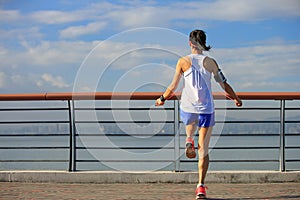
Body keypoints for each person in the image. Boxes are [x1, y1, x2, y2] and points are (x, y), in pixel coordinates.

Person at [155, 29, 242, 199]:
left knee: (189, 126)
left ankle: (188, 139)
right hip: (206, 109)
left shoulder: (182, 61)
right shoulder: (211, 62)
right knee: (204, 149)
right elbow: (224, 84)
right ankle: (200, 187)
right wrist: (236, 98)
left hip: (188, 107)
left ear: (190, 43)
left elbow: (173, 86)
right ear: (204, 43)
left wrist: (161, 99)